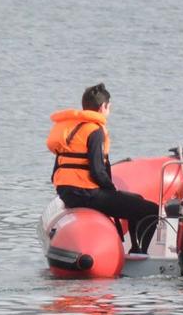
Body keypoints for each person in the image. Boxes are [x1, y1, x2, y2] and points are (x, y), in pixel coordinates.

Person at [49, 82, 160, 254]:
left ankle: (135, 248)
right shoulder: (95, 131)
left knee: (135, 199)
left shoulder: (71, 130)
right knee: (151, 210)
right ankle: (139, 252)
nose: (109, 111)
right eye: (109, 107)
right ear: (102, 107)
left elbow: (55, 171)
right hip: (86, 195)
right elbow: (97, 171)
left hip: (67, 193)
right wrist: (111, 190)